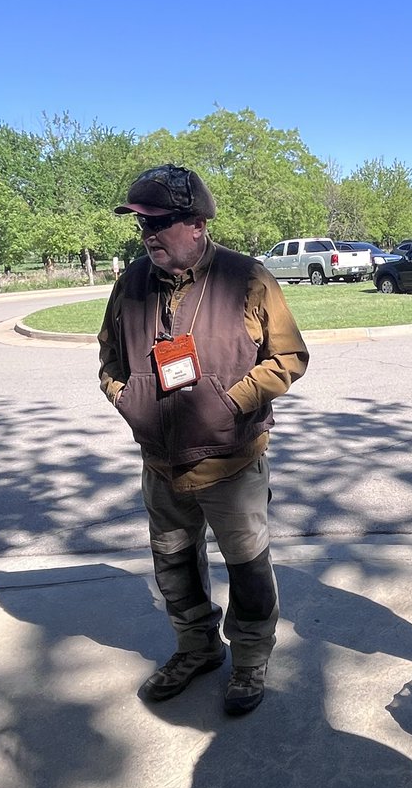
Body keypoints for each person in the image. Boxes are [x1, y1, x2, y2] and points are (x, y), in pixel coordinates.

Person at [98, 163, 309, 714]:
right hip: (161, 464)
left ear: (195, 223)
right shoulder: (130, 284)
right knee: (173, 563)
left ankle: (250, 660)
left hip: (231, 462)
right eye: (139, 223)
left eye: (158, 222)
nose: (146, 234)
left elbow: (290, 358)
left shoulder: (247, 278)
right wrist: (127, 398)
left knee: (248, 568)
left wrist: (231, 401)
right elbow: (110, 358)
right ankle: (195, 649)